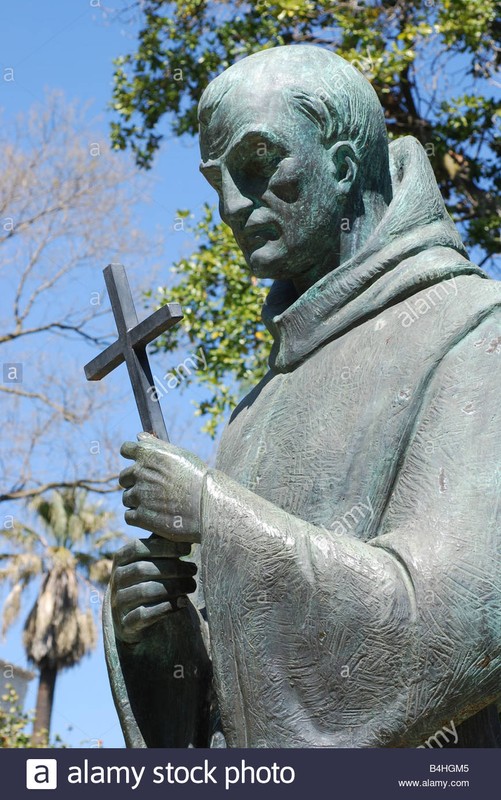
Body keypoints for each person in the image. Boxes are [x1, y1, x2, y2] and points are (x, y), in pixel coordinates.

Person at [105, 45, 501, 748]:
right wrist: (163, 637)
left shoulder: (473, 332)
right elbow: (235, 713)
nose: (231, 205)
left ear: (344, 165)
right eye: (215, 180)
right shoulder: (254, 412)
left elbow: (464, 627)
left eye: (258, 166)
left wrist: (214, 515)